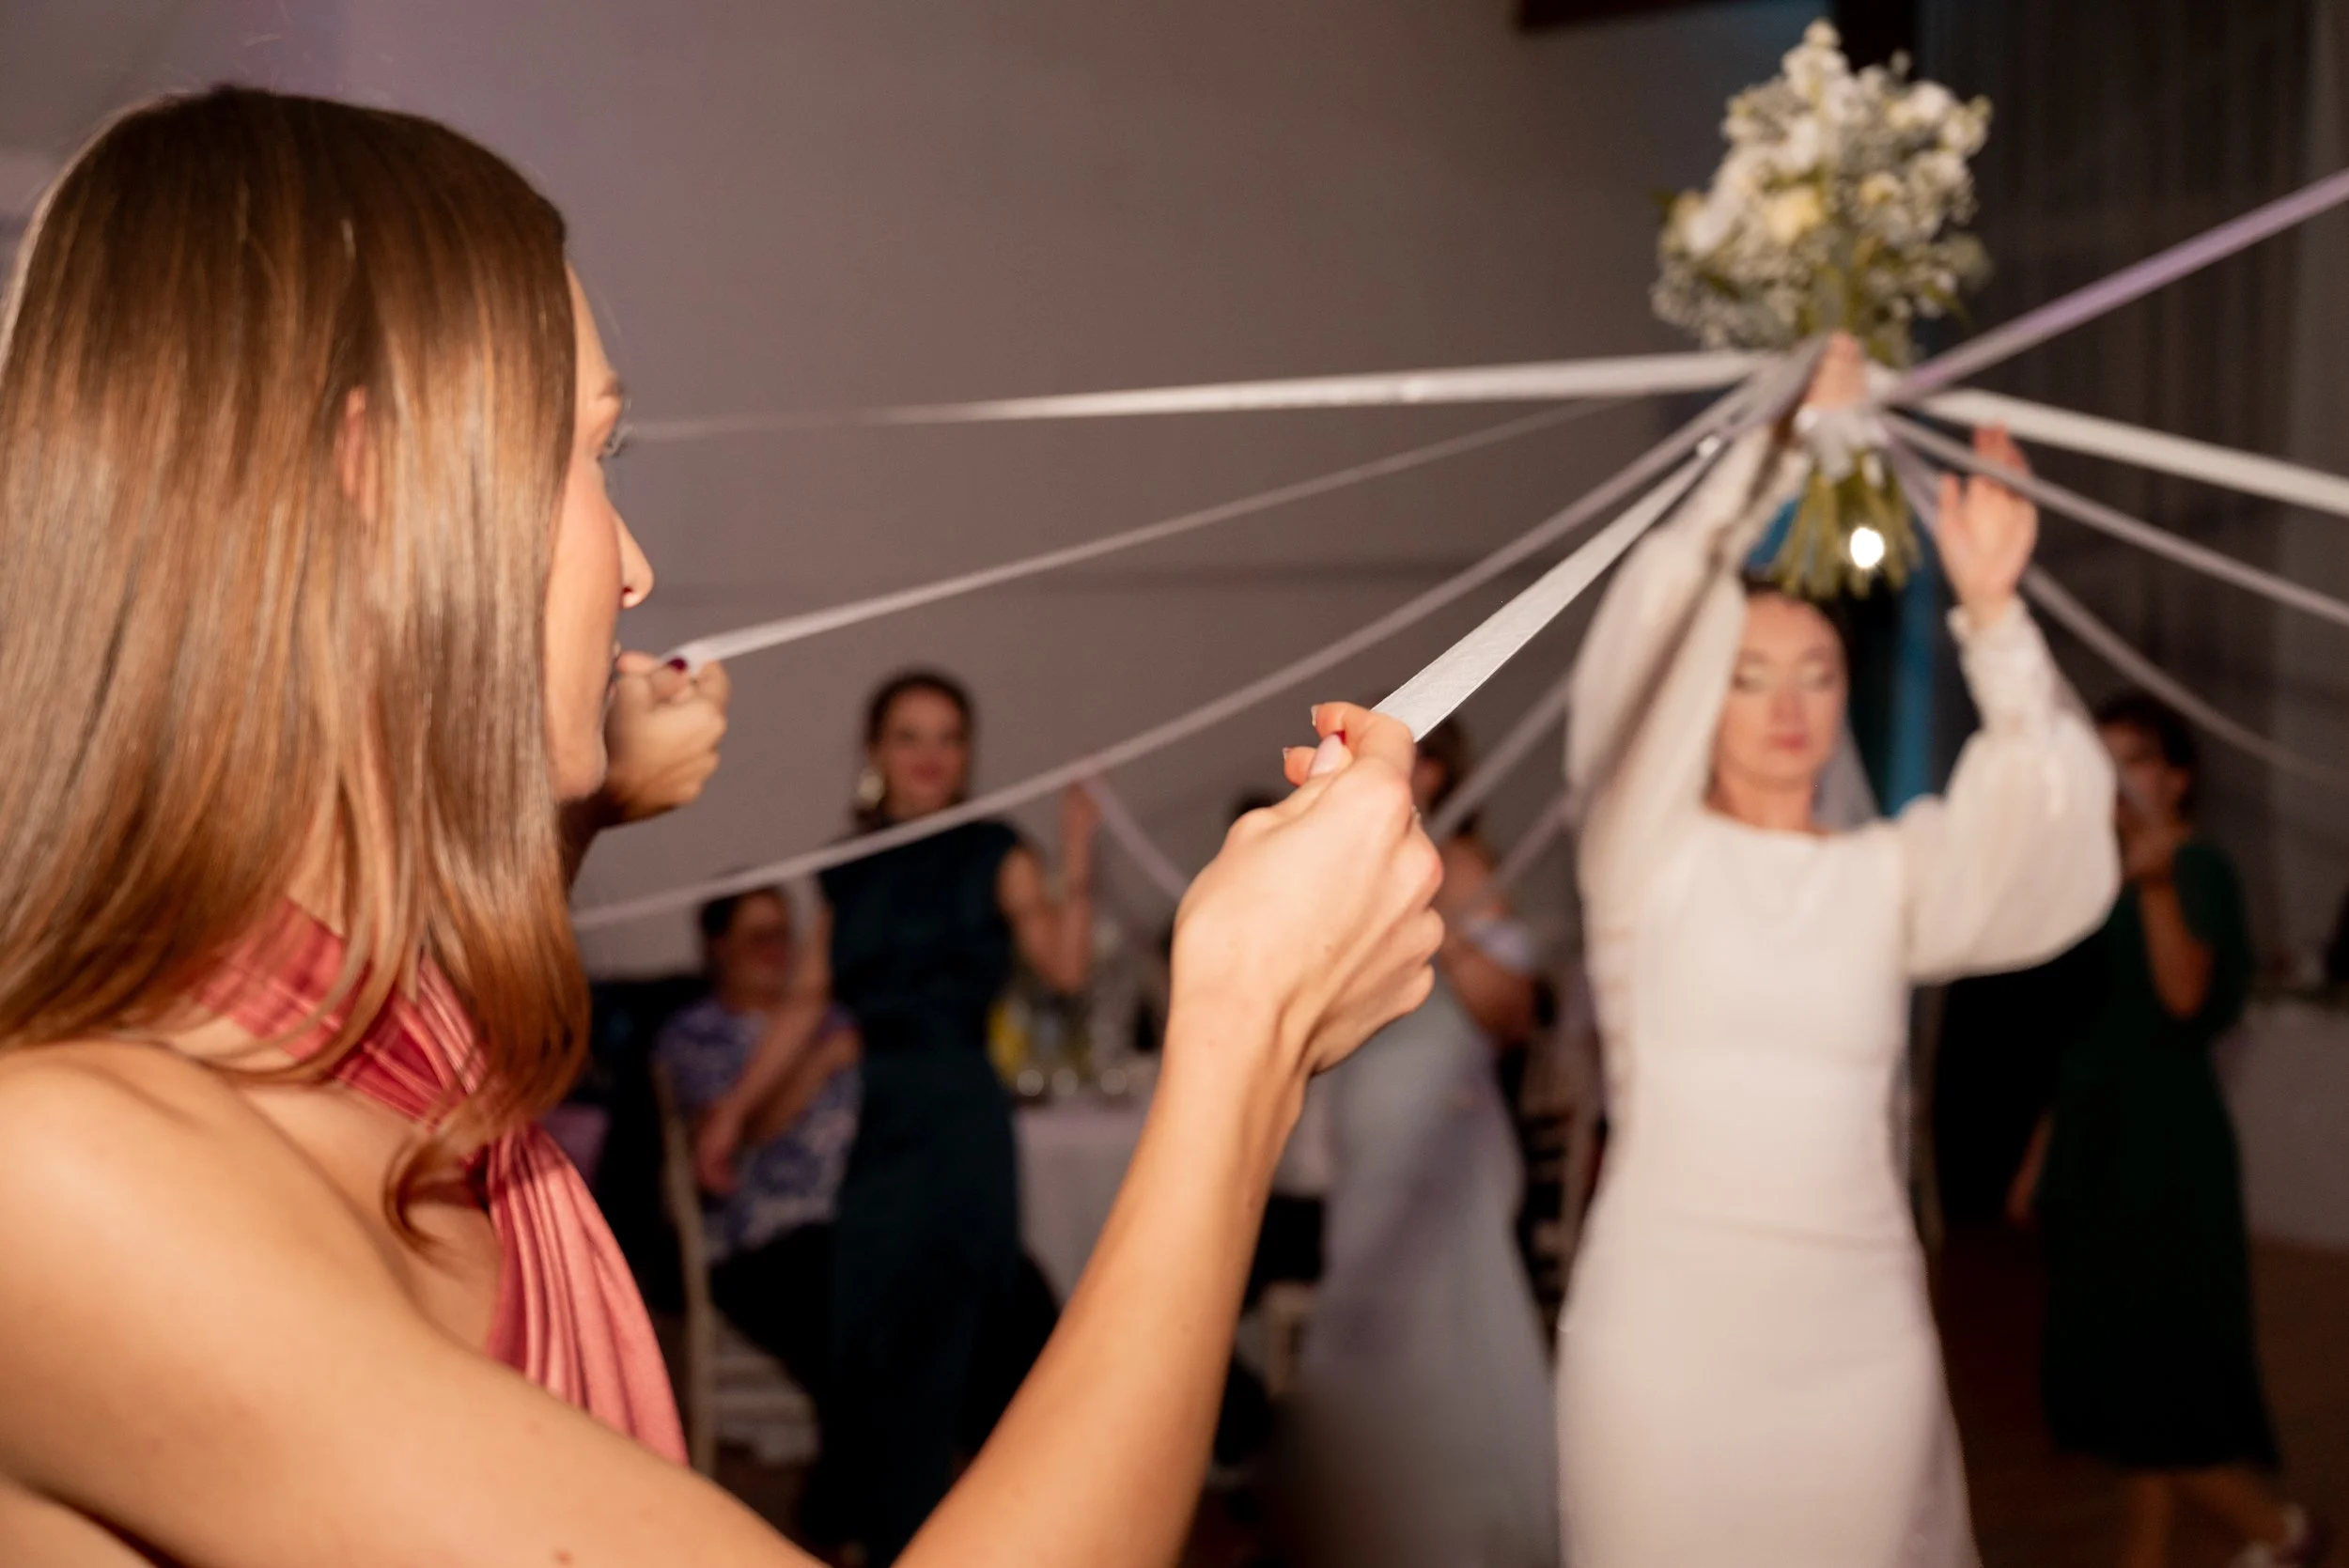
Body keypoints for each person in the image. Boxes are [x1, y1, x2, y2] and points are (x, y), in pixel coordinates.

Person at [0, 86, 1444, 1568]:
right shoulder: (63, 1179)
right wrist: (1248, 1036)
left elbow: (430, 1004)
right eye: (587, 457)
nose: (631, 565)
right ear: (369, 482)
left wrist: (569, 812)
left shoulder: (362, 1031)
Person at [1553, 333, 2120, 1567]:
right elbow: (1652, 618)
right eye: (1752, 676)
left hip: (1857, 1348)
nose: (1791, 705)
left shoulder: (1892, 874)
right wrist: (1782, 448)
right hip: (1662, 1340)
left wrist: (1994, 616)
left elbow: (2054, 835)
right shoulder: (1642, 860)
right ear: (1706, 699)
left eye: (1815, 671)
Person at [690, 671, 1103, 1564]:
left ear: (967, 753)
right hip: (884, 1127)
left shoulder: (999, 850)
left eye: (947, 737)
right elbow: (805, 1002)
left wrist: (1077, 852)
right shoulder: (849, 868)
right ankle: (886, 1531)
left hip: (960, 1121)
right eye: (909, 736)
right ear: (875, 753)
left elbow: (1066, 971)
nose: (928, 755)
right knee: (867, 1327)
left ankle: (922, 1540)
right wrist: (731, 1111)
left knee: (950, 1334)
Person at [2009, 695, 2326, 1568]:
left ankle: (2279, 1531)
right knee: (2129, 1394)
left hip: (2166, 1150)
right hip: (2094, 1143)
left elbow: (2185, 1001)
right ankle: (2266, 1537)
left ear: (2177, 777)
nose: (2117, 778)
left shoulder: (2199, 872)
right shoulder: (2090, 877)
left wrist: (2153, 883)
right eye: (2102, 759)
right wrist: (2042, 1152)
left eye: (2135, 759)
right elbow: (2090, 1028)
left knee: (2154, 1386)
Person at [1298, 718, 1557, 1568]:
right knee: (1368, 1310)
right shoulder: (1332, 867)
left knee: (1439, 1323)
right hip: (1363, 1114)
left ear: (1435, 775)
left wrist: (1443, 909)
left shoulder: (1466, 867)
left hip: (1441, 1124)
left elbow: (1512, 1015)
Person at [657, 890, 860, 1422]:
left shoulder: (837, 1017)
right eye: (758, 936)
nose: (776, 950)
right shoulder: (698, 1034)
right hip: (766, 1241)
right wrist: (817, 1063)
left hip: (860, 1221)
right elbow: (736, 1138)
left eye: (782, 934)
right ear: (719, 947)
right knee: (859, 1322)